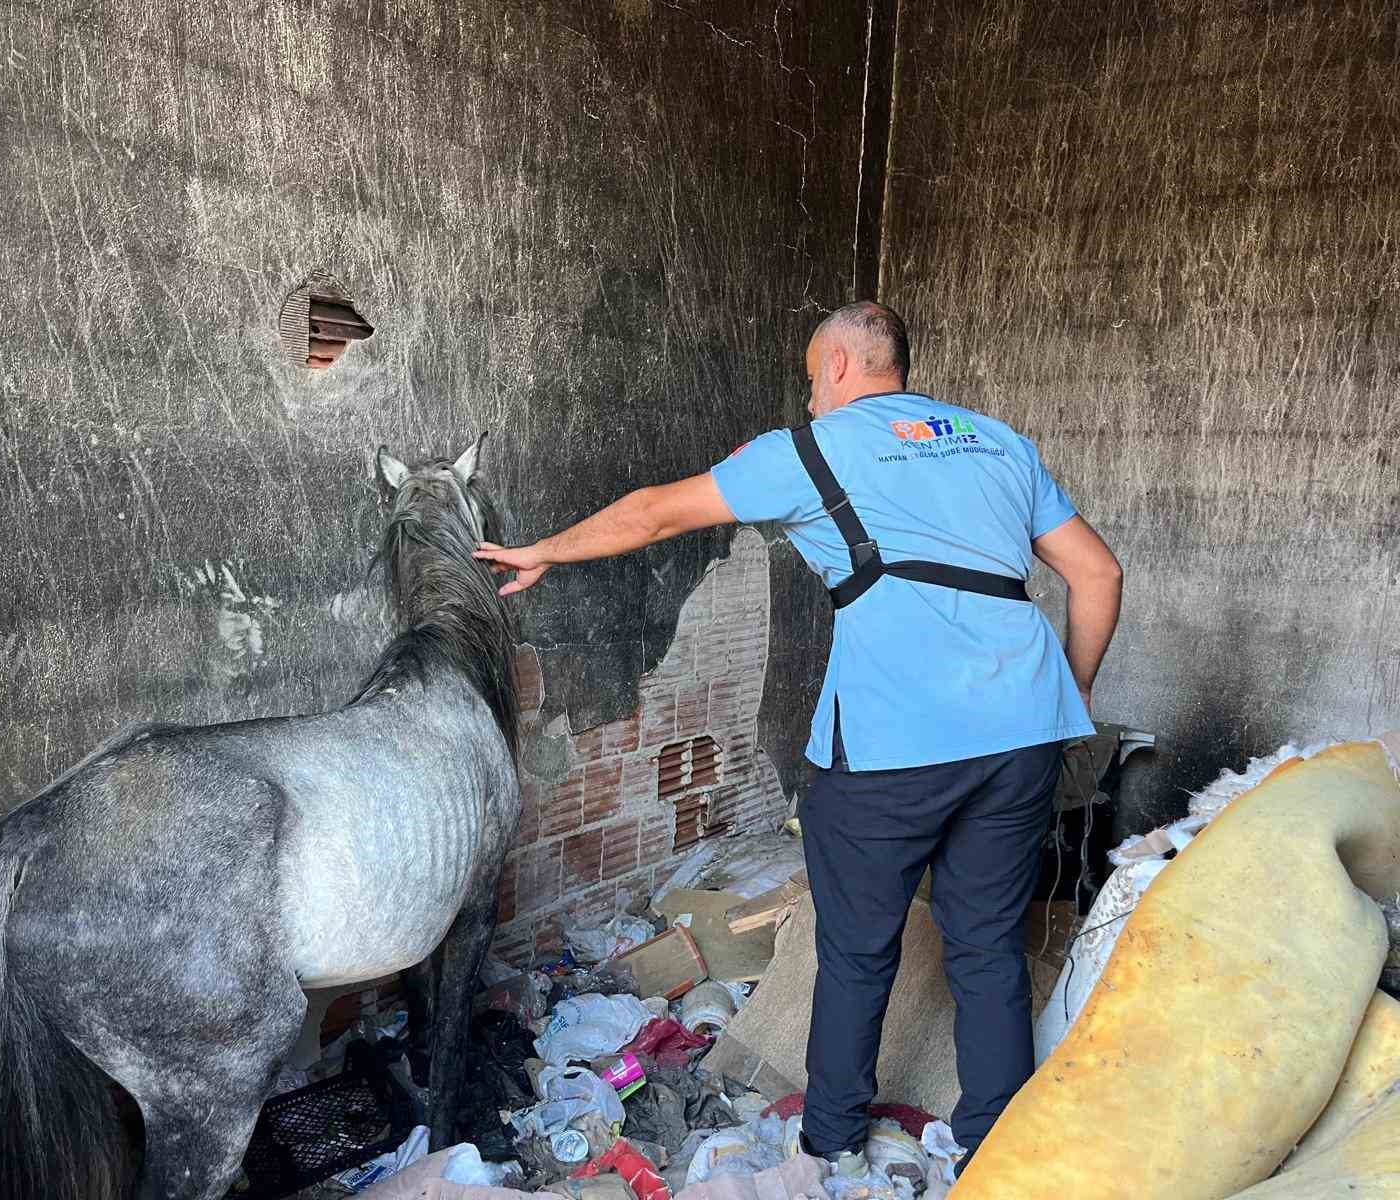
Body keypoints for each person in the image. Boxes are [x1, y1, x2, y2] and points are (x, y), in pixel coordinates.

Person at [474, 300, 1123, 1170]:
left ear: (844, 368)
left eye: (813, 376)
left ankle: (833, 1151)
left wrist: (546, 550)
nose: (811, 396)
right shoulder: (998, 441)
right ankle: (993, 1152)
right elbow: (1098, 572)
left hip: (895, 744)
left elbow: (658, 511)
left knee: (856, 950)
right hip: (1023, 734)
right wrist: (1064, 698)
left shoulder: (812, 449)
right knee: (988, 945)